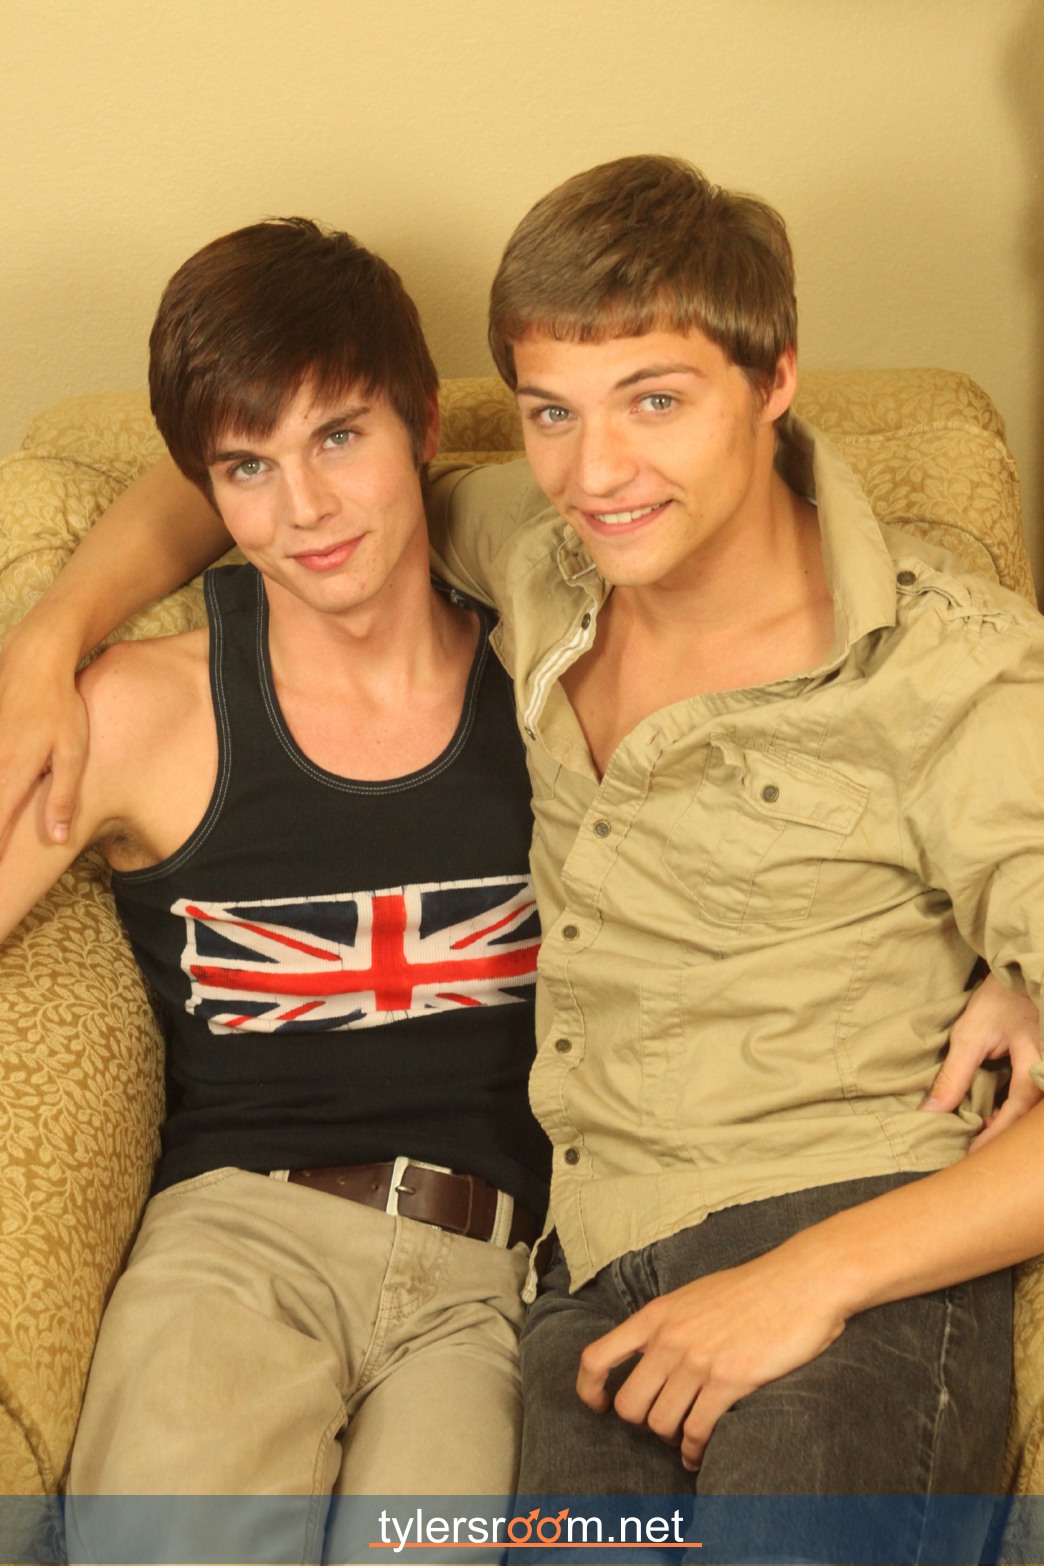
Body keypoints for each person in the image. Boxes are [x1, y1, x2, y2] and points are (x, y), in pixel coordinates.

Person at [3, 159, 1044, 1556]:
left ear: (776, 380)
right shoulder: (539, 557)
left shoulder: (948, 670)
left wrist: (998, 975)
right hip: (561, 1270)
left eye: (656, 400)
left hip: (770, 1236)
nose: (598, 471)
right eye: (554, 412)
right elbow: (238, 468)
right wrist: (49, 637)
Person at [0, 217, 548, 1561]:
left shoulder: (561, 682)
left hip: (491, 1285)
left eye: (339, 438)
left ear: (424, 427)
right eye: (248, 466)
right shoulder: (140, 710)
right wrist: (46, 638)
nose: (303, 508)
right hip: (234, 1245)